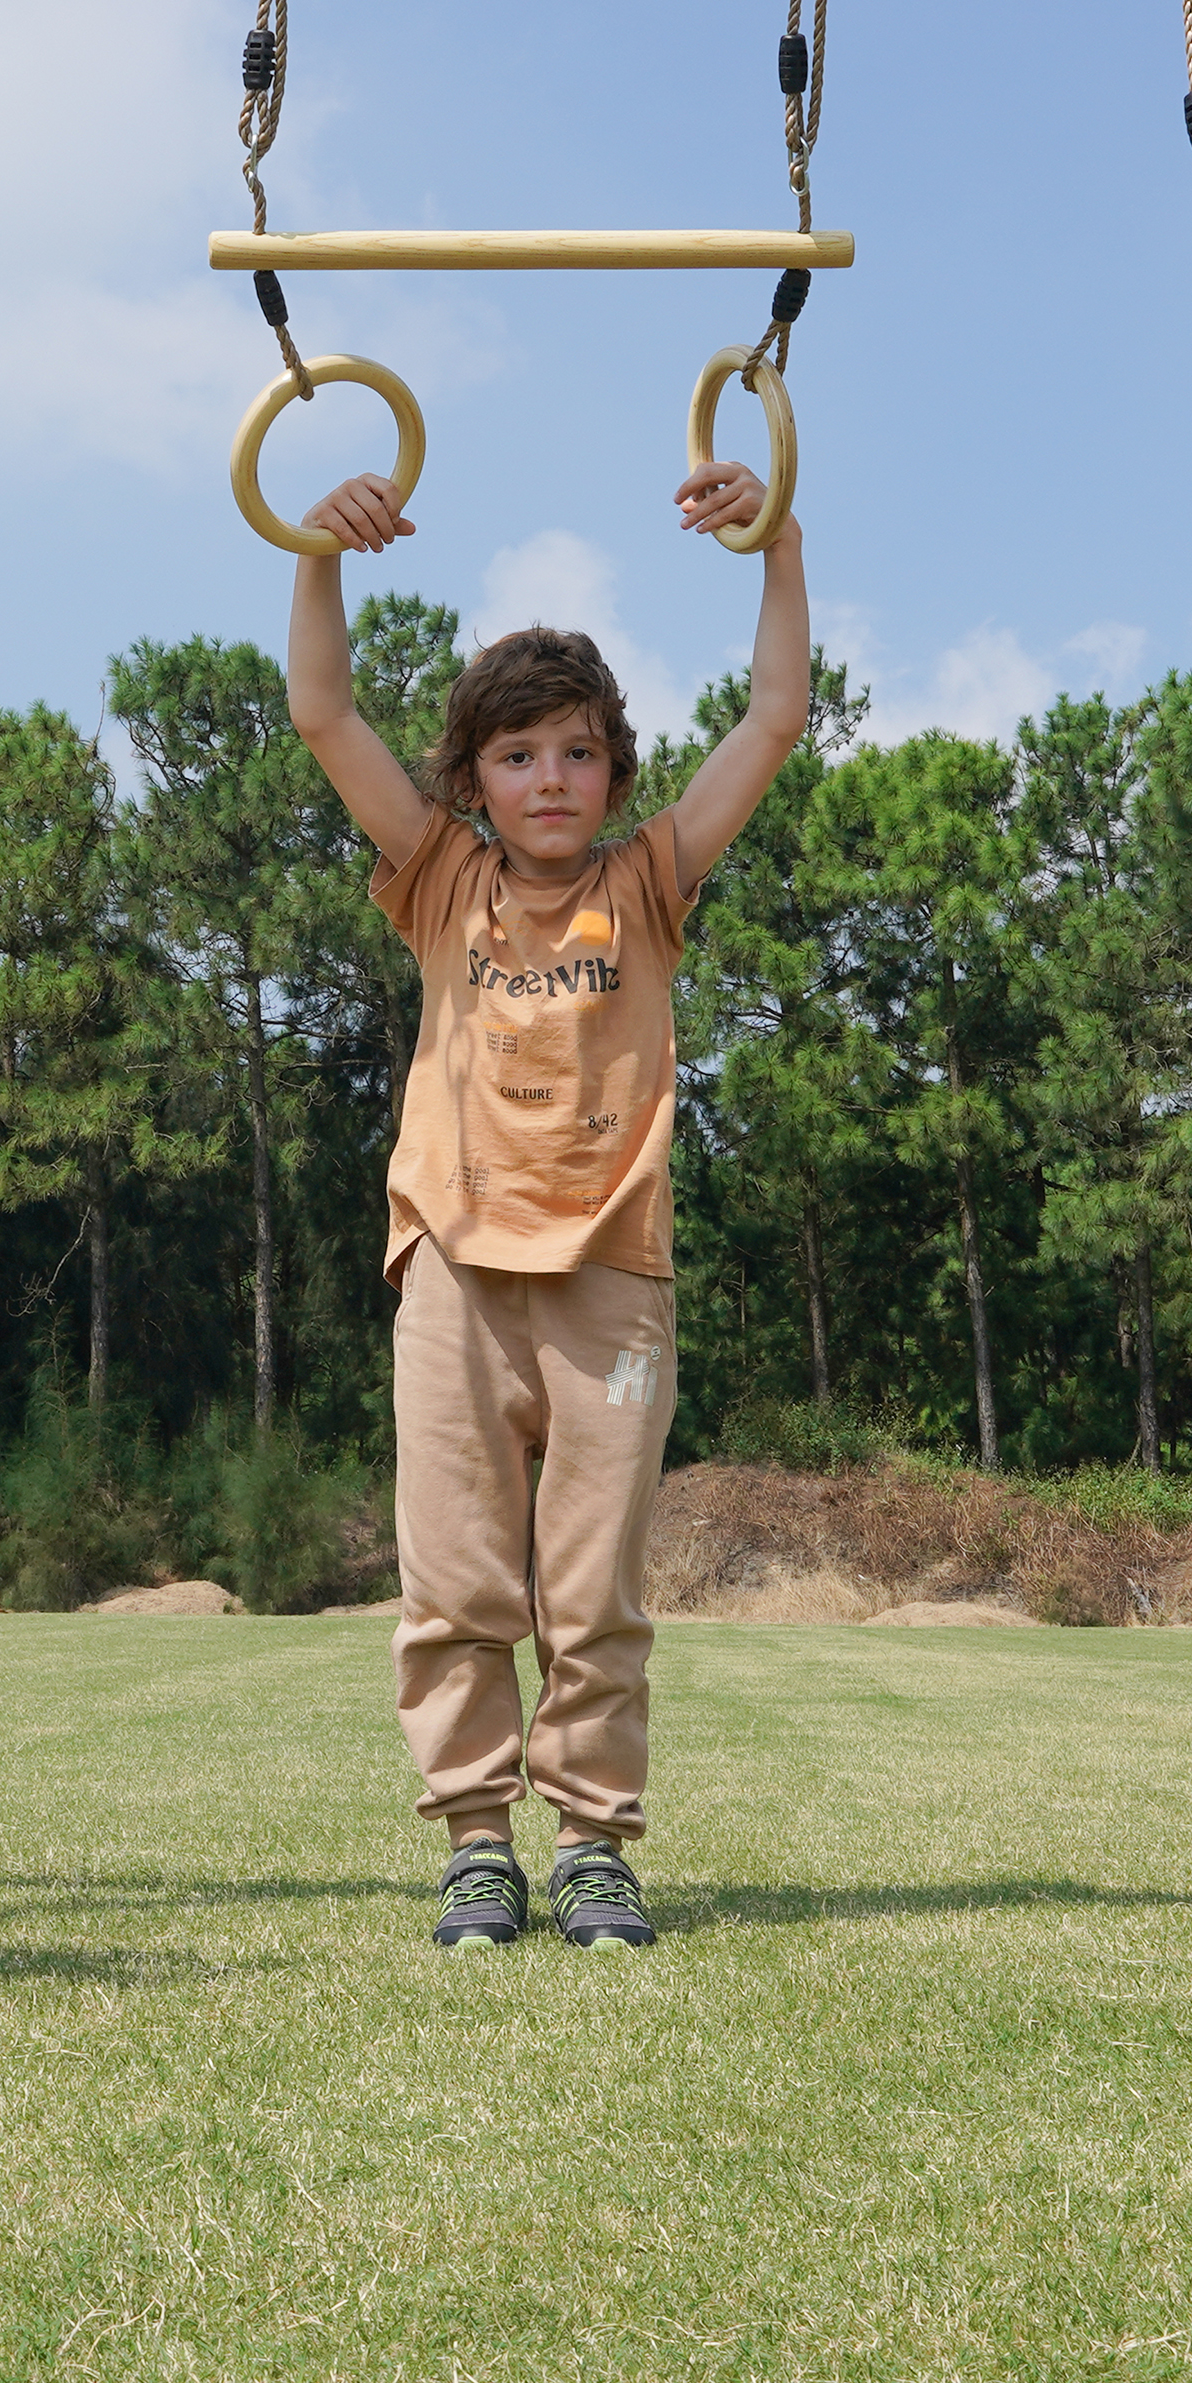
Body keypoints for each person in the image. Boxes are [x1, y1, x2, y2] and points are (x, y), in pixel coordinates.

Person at [287, 452, 810, 1952]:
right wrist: (319, 553)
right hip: (452, 1270)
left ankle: (591, 1848)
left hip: (611, 1280)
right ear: (474, 785)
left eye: (579, 754)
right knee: (454, 1580)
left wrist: (783, 541)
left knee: (593, 1592)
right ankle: (473, 1848)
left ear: (615, 776)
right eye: (518, 758)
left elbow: (774, 714)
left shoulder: (646, 886)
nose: (551, 781)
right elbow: (325, 711)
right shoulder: (441, 881)